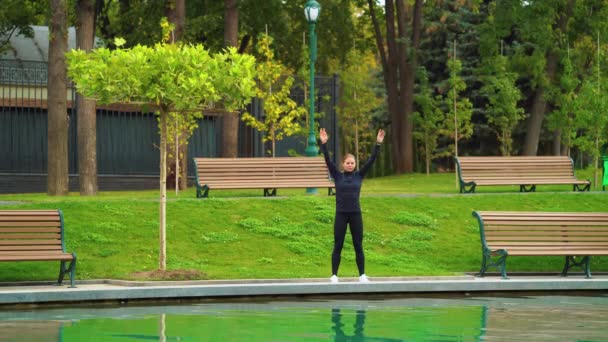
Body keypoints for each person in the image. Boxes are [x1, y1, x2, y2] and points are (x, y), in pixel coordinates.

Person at [319, 128, 385, 283]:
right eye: (347, 163)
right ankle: (334, 275)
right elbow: (328, 160)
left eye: (352, 163)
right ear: (343, 164)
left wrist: (378, 144)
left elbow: (371, 160)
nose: (350, 165)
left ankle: (362, 275)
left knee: (358, 244)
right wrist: (324, 144)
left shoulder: (359, 176)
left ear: (355, 164)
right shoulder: (337, 175)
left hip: (355, 214)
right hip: (341, 214)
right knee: (338, 244)